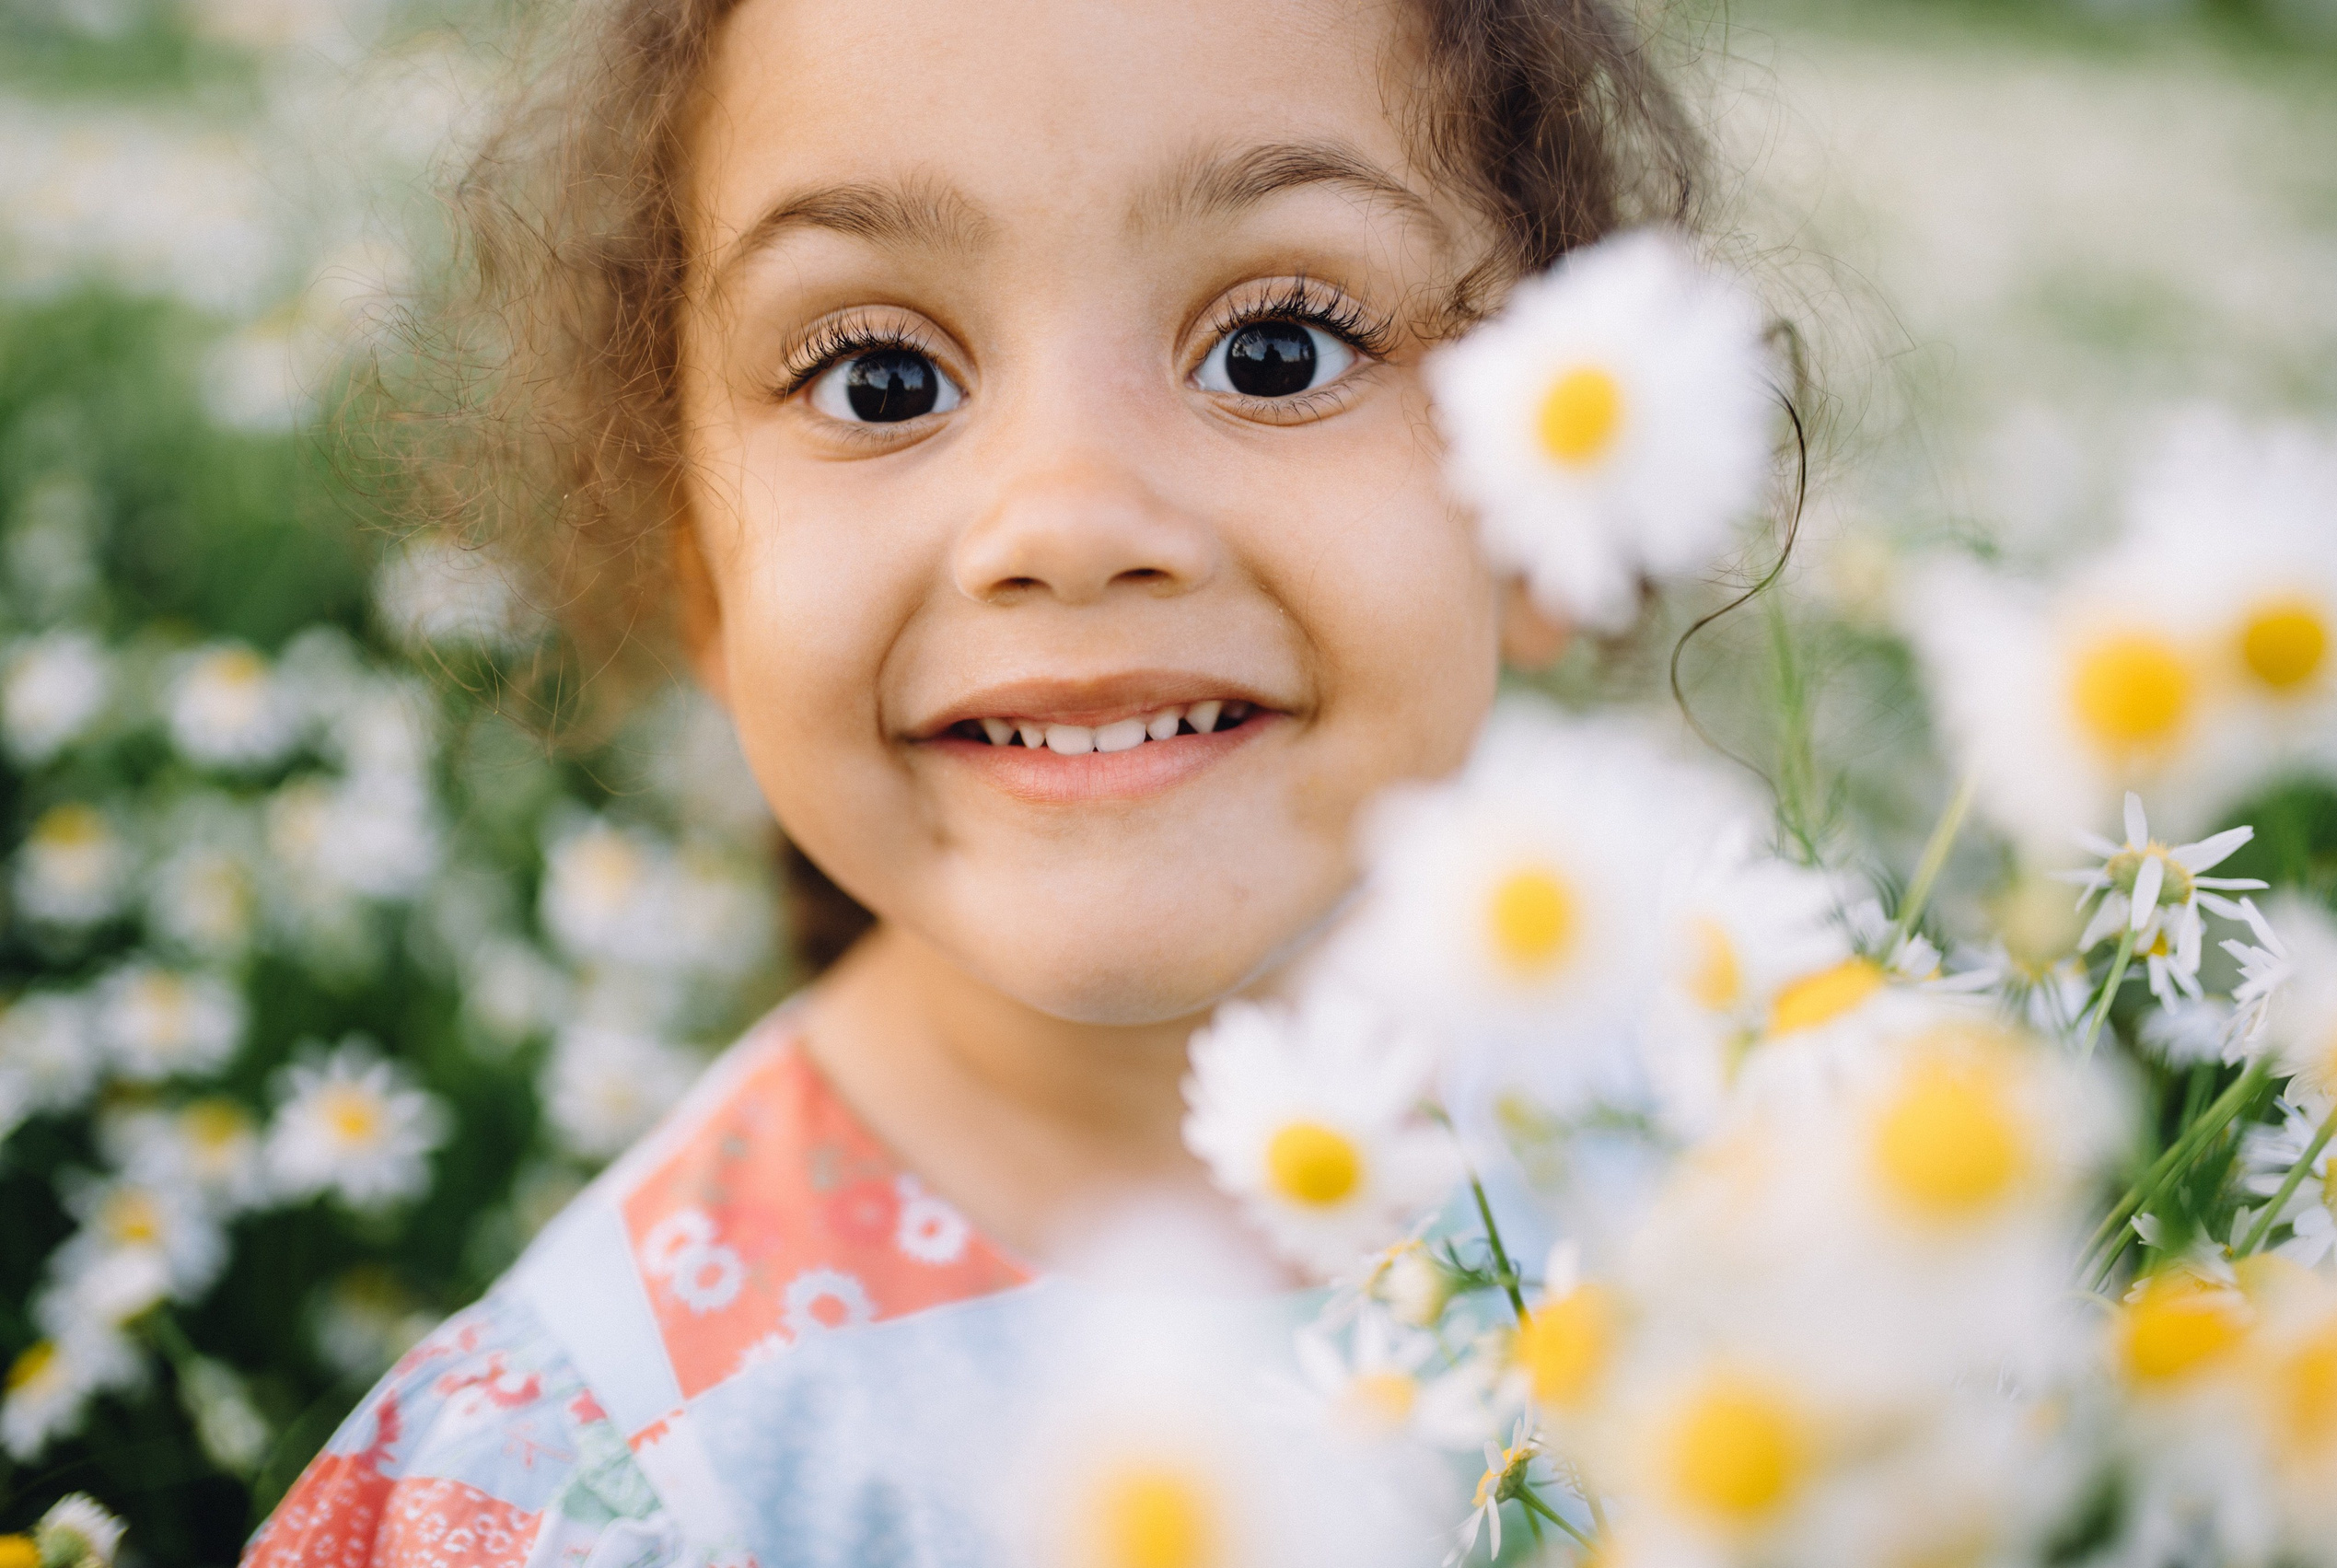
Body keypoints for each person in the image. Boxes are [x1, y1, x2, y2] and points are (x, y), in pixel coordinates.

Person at [244, 0, 1705, 1561]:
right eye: (881, 377)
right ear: (704, 579)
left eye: (1278, 351)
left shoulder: (1775, 1146)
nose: (1069, 520)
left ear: (1554, 474)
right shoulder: (603, 1478)